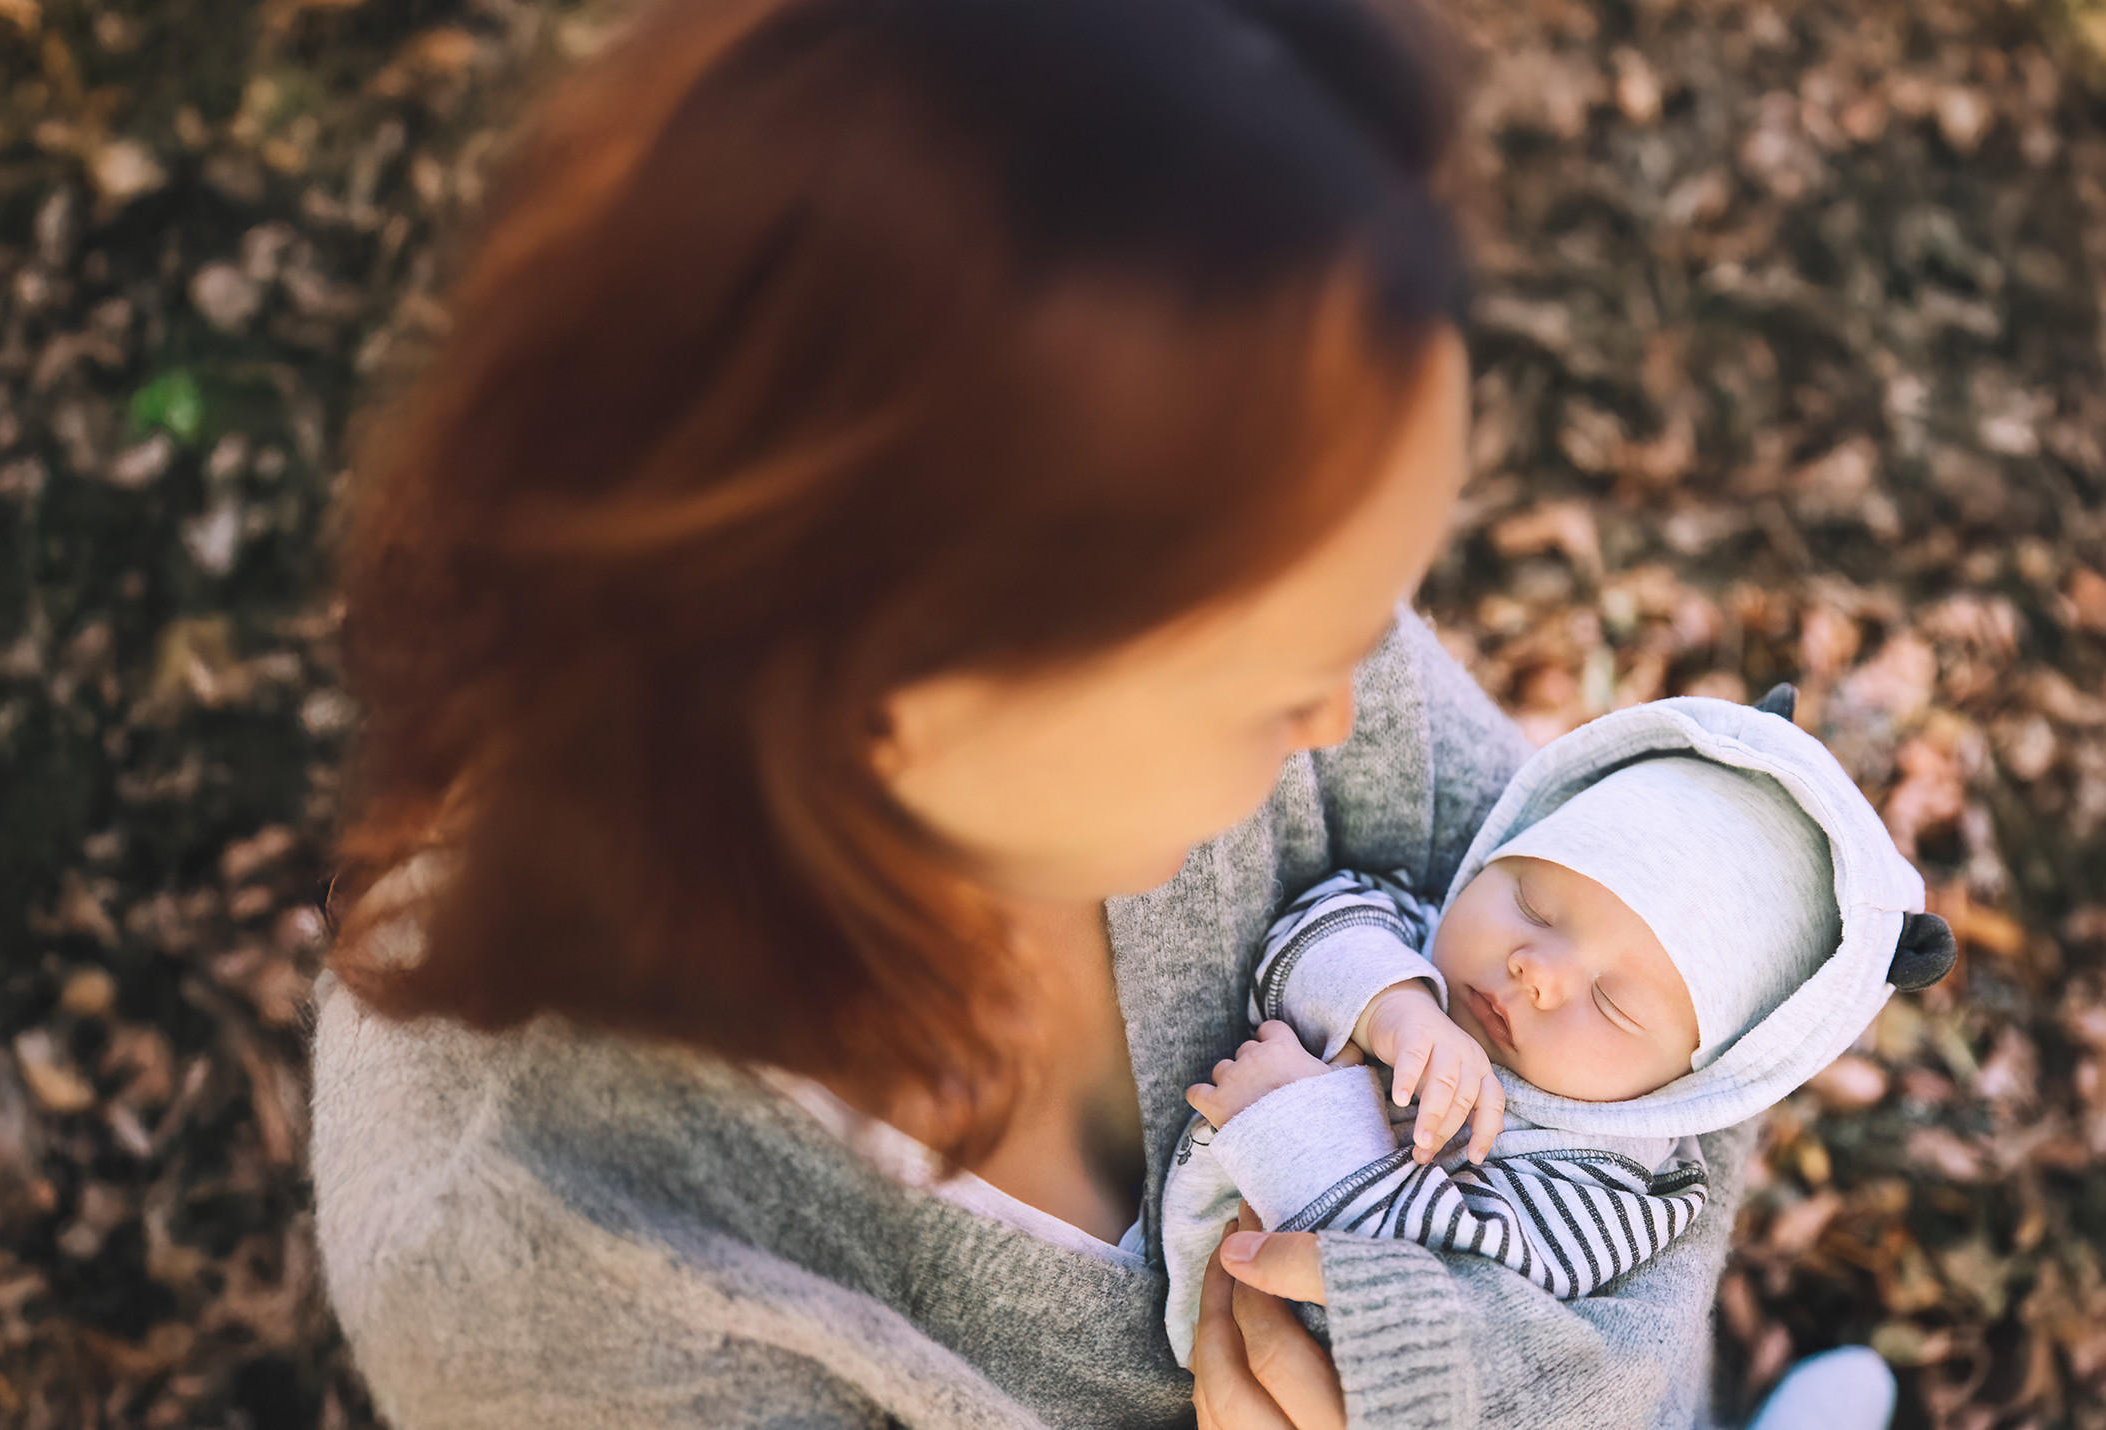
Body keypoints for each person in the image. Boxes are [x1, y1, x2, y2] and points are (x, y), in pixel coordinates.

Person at [309, 0, 1783, 1424]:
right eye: (1280, 675)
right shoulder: (561, 1275)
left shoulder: (1245, 534)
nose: (1354, 708)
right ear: (891, 684)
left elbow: (1680, 1083)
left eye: (1375, 610)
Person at [1159, 690, 1960, 1361]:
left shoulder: (1612, 1187)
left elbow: (1446, 1303)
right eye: (1531, 903)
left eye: (1613, 1002)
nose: (1536, 971)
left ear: (1697, 1078)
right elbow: (1314, 928)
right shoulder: (1418, 942)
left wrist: (1300, 1125)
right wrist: (1391, 1001)